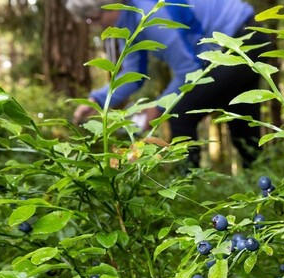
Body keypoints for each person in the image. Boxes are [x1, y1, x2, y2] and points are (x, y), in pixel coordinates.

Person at [65, 0, 270, 168]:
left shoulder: (150, 14)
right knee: (242, 121)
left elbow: (188, 70)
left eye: (94, 17)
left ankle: (187, 185)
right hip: (230, 44)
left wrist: (157, 109)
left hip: (241, 39)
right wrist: (96, 100)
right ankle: (264, 182)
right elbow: (133, 74)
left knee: (179, 113)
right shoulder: (127, 23)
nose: (93, 24)